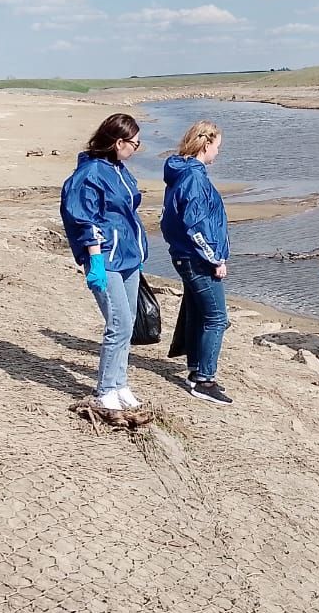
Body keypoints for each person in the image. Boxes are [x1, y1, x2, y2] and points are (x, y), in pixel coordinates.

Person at [59, 113, 151, 427]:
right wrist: (95, 260)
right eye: (134, 143)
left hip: (127, 257)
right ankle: (105, 390)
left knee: (130, 322)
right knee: (119, 323)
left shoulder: (118, 170)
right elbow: (84, 218)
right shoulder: (91, 174)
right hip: (106, 259)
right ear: (118, 142)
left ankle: (120, 383)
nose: (137, 149)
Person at [161, 121, 231, 405]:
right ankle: (205, 379)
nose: (218, 153)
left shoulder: (183, 173)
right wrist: (215, 259)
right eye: (217, 147)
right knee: (217, 318)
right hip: (197, 259)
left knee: (198, 313)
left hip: (186, 256)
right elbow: (195, 225)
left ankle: (196, 369)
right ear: (206, 144)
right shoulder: (193, 178)